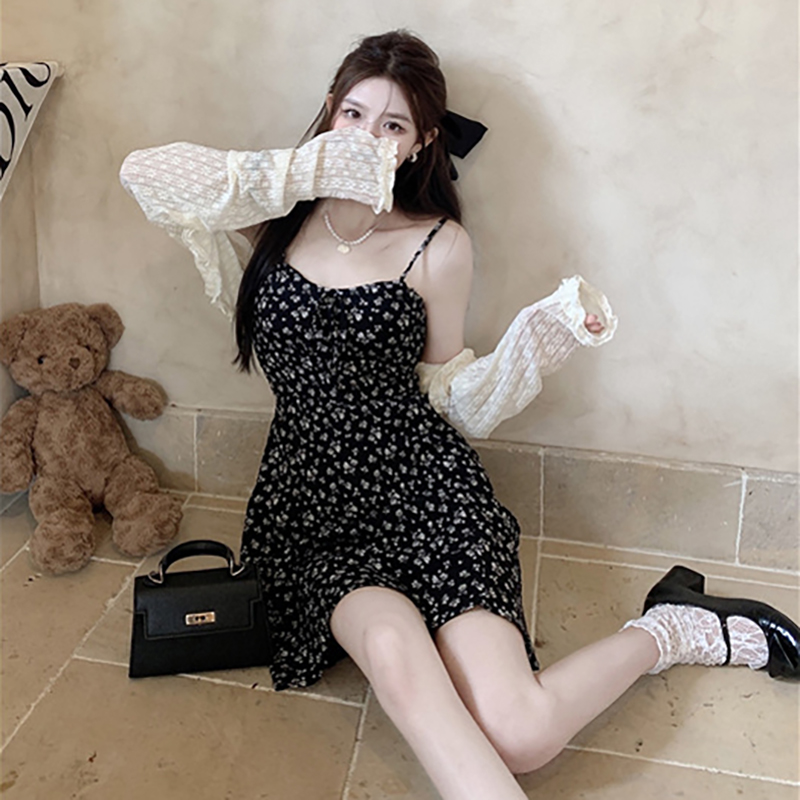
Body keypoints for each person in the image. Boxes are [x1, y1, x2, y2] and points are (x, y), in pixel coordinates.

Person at [120, 30, 800, 800]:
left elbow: (452, 400)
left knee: (523, 734)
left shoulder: (438, 245)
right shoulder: (272, 214)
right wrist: (309, 169)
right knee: (390, 645)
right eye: (352, 114)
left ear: (422, 142)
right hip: (314, 508)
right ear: (329, 111)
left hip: (427, 493)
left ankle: (671, 627)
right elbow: (143, 174)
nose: (367, 137)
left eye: (391, 125)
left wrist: (528, 352)